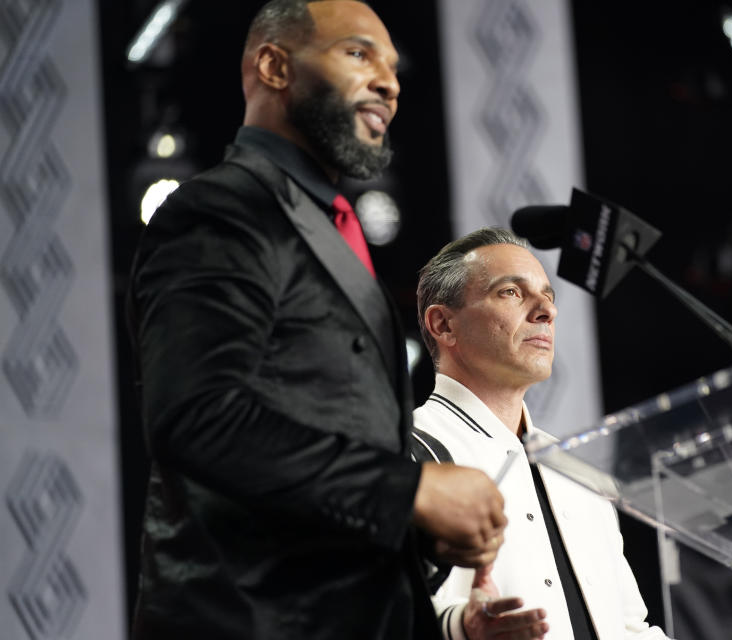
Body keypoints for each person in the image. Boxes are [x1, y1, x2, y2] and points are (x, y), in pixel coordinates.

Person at [126, 2, 506, 638]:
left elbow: (330, 470)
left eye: (392, 64)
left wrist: (435, 579)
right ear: (274, 66)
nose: (390, 80)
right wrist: (410, 492)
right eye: (359, 54)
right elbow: (198, 417)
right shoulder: (221, 213)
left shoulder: (331, 228)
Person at [413, 228, 669, 640]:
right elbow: (367, 615)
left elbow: (628, 629)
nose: (545, 311)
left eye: (548, 296)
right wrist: (460, 629)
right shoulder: (407, 452)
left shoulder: (577, 468)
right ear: (443, 324)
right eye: (511, 292)